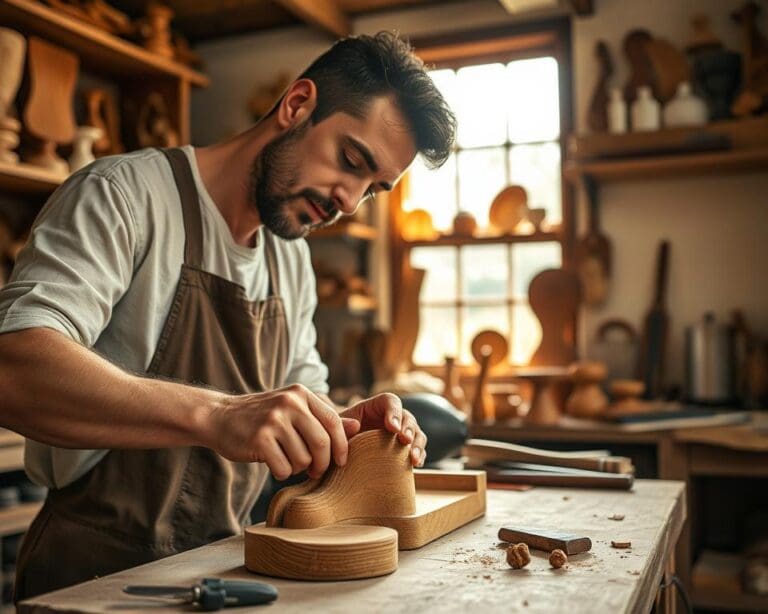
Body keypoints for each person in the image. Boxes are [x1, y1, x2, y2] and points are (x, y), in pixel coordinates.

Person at [0, 31, 456, 599]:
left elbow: (304, 415)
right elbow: (13, 369)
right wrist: (217, 415)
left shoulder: (290, 261)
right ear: (297, 105)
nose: (347, 200)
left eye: (371, 189)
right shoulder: (124, 195)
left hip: (225, 572)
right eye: (351, 161)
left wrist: (349, 431)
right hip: (90, 577)